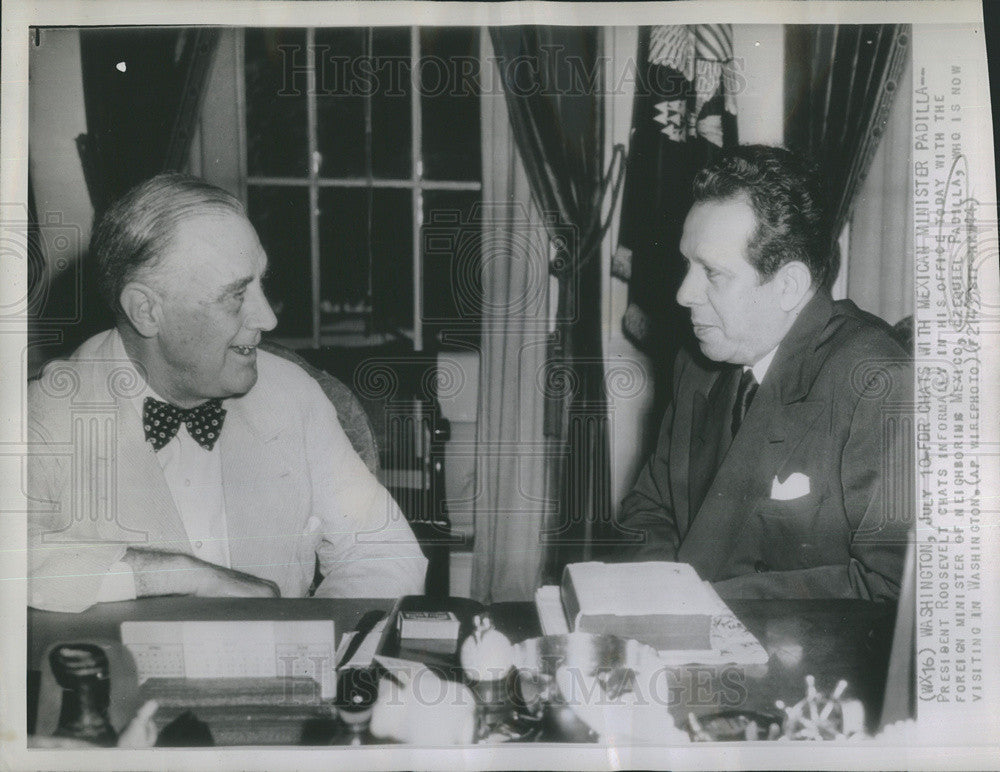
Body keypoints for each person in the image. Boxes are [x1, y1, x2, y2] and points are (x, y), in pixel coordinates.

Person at [27, 174, 427, 613]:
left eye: (260, 283)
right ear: (146, 310)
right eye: (236, 295)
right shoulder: (42, 416)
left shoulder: (291, 394)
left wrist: (304, 640)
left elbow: (384, 551)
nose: (269, 318)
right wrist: (179, 575)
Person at [618, 145, 911, 601]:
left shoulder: (877, 382)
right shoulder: (697, 362)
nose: (682, 294)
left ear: (788, 286)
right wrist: (664, 602)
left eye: (712, 273)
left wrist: (703, 607)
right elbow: (650, 509)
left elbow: (889, 588)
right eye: (686, 265)